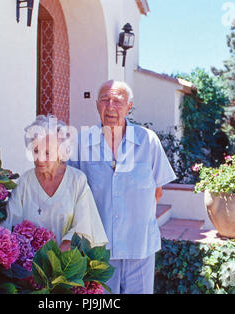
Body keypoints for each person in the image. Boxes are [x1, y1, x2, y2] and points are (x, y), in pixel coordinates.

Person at [68, 80, 177, 293]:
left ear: (129, 106)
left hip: (140, 246)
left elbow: (157, 191)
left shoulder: (148, 141)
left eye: (117, 102)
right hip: (98, 251)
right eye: (105, 100)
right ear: (97, 105)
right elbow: (72, 193)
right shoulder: (82, 142)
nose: (110, 107)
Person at [0, 115, 108, 251]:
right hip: (29, 268)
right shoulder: (24, 183)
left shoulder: (77, 180)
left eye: (47, 152)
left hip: (66, 264)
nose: (40, 159)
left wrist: (56, 260)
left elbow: (84, 227)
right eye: (36, 151)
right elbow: (10, 224)